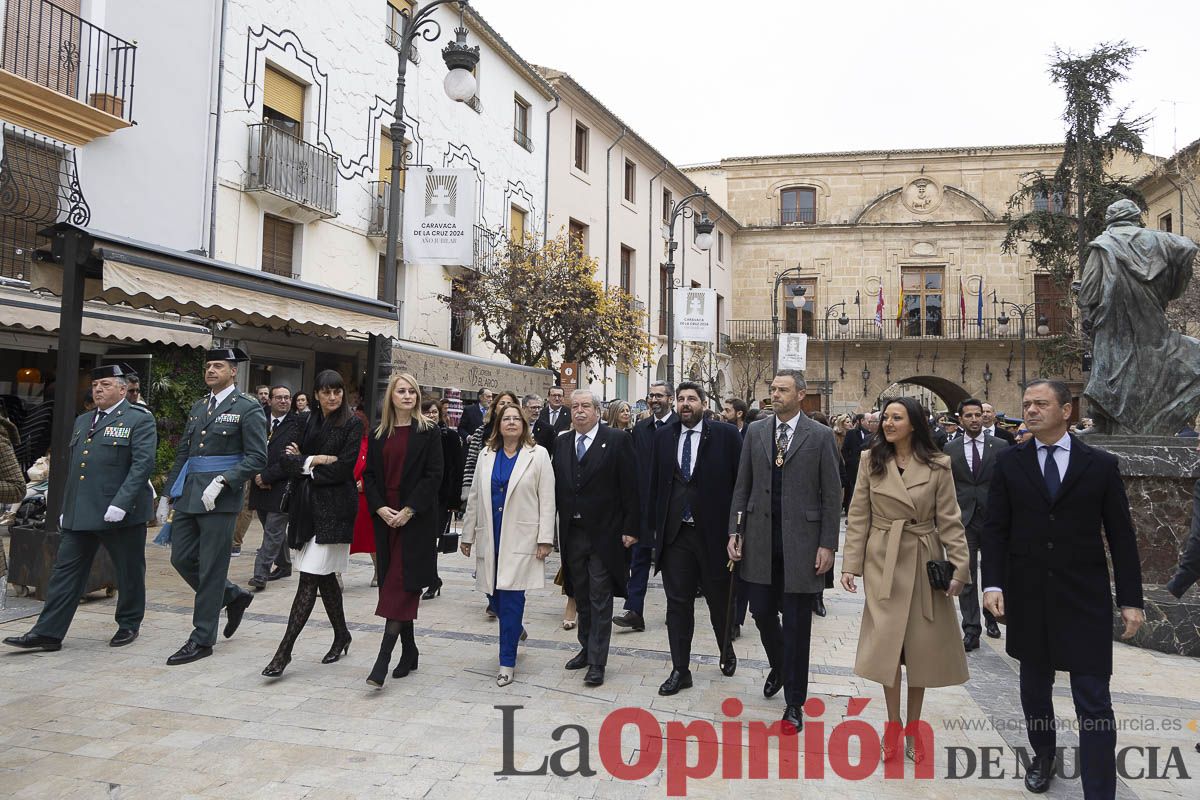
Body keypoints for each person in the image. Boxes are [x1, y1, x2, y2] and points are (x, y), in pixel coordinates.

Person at [982, 379, 1144, 797]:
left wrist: (1130, 600)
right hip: (1029, 596)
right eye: (1026, 404)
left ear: (1066, 410)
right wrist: (992, 583)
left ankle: (1100, 789)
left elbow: (1121, 536)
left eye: (1040, 403)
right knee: (1035, 690)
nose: (1031, 411)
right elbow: (996, 529)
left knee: (1094, 698)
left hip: (1084, 599)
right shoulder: (1010, 462)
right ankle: (1043, 755)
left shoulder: (1100, 465)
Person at [840, 396, 970, 763]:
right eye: (886, 417)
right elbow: (858, 515)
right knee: (887, 648)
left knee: (920, 650)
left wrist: (960, 567)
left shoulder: (938, 465)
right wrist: (850, 565)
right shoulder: (870, 460)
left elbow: (950, 520)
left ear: (914, 423)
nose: (888, 423)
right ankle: (892, 724)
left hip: (923, 560)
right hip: (883, 562)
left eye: (896, 417)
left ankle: (913, 728)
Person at [4, 365, 155, 652]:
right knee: (65, 572)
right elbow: (76, 468)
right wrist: (66, 506)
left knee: (128, 571)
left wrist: (121, 503)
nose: (98, 389)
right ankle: (48, 633)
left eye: (106, 384)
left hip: (120, 512)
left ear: (123, 389)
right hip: (82, 510)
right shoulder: (84, 420)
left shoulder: (139, 419)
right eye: (95, 385)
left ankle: (128, 623)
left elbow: (142, 465)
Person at [728, 370, 841, 733]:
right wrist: (735, 531)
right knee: (760, 611)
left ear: (801, 395)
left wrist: (828, 544)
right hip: (760, 540)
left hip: (802, 544)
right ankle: (779, 664)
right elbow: (742, 485)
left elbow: (832, 494)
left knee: (796, 624)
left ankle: (794, 702)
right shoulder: (756, 432)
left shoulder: (820, 436)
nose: (774, 394)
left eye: (782, 389)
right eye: (773, 389)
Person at [161, 348, 266, 665]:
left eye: (218, 366)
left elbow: (257, 457)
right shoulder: (199, 406)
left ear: (233, 371)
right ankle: (232, 595)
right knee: (181, 557)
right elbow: (184, 453)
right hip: (191, 492)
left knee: (210, 568)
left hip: (220, 498)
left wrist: (224, 480)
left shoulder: (247, 407)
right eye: (208, 366)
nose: (210, 370)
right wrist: (167, 494)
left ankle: (202, 638)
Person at [261, 370, 361, 677]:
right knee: (324, 577)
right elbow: (286, 459)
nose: (332, 397)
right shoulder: (305, 421)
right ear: (316, 395)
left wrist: (304, 460)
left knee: (309, 577)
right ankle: (342, 634)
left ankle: (284, 652)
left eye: (337, 391)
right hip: (306, 509)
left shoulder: (353, 423)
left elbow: (343, 469)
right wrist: (317, 460)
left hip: (335, 511)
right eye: (326, 392)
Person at [647, 382, 742, 695]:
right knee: (677, 604)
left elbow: (741, 485)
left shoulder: (726, 435)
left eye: (691, 399)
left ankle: (725, 648)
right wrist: (652, 528)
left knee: (718, 600)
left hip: (713, 534)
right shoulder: (663, 436)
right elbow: (655, 483)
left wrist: (737, 530)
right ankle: (680, 669)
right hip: (676, 535)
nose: (685, 404)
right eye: (681, 399)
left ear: (703, 403)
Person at [461, 404, 555, 685]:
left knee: (512, 600)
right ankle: (515, 629)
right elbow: (475, 497)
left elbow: (547, 499)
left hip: (522, 538)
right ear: (498, 425)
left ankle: (507, 662)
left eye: (516, 419)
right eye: (506, 419)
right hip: (491, 536)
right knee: (492, 595)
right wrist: (467, 535)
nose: (511, 422)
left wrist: (545, 538)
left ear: (524, 425)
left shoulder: (538, 455)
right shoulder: (486, 455)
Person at [554, 389, 640, 687]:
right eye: (574, 406)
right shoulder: (562, 441)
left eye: (585, 406)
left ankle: (597, 661)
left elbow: (631, 487)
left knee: (600, 596)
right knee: (580, 593)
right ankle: (585, 647)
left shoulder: (617, 440)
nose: (579, 411)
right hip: (572, 533)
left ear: (597, 411)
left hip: (605, 534)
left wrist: (631, 528)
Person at [363, 373, 443, 689]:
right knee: (395, 584)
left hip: (415, 519)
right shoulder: (379, 433)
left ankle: (382, 660)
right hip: (386, 518)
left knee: (399, 584)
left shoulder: (429, 431)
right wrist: (380, 508)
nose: (408, 396)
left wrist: (409, 510)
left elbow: (434, 475)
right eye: (401, 391)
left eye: (412, 391)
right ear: (391, 397)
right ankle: (409, 651)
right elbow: (369, 476)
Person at [943, 398, 1003, 650]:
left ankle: (992, 618)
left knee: (993, 570)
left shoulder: (999, 446)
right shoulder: (950, 449)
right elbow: (946, 485)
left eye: (978, 414)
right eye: (969, 415)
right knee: (965, 574)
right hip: (963, 520)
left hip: (992, 520)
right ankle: (971, 629)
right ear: (961, 419)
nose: (975, 419)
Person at [616, 381, 675, 633]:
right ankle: (634, 611)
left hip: (670, 507)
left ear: (670, 399)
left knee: (671, 562)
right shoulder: (640, 428)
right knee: (638, 559)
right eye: (651, 395)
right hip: (642, 506)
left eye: (660, 395)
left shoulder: (679, 426)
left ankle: (675, 609)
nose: (654, 399)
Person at [247, 385, 299, 590]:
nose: (284, 401)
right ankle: (284, 565)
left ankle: (260, 574)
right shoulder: (258, 418)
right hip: (259, 484)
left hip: (283, 485)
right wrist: (256, 475)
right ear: (270, 399)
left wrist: (267, 476)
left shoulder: (297, 423)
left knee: (272, 530)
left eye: (287, 397)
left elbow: (290, 457)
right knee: (272, 530)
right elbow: (249, 448)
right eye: (279, 397)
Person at [421, 398, 464, 600]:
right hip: (420, 496)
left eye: (434, 412)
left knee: (431, 541)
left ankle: (431, 580)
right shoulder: (417, 434)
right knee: (423, 541)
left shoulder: (450, 436)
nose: (431, 415)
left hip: (441, 498)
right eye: (427, 412)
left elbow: (457, 469)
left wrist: (455, 502)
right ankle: (432, 579)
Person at [348, 408, 377, 584]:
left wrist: (364, 484)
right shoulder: (341, 442)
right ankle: (336, 575)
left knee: (370, 538)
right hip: (344, 496)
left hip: (365, 499)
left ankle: (378, 570)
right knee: (341, 540)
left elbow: (378, 469)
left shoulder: (371, 443)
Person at [535, 386, 571, 450]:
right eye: (554, 395)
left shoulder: (570, 414)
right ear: (548, 397)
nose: (557, 398)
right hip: (544, 450)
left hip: (563, 449)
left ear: (563, 398)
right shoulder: (540, 413)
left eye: (559, 396)